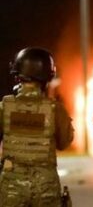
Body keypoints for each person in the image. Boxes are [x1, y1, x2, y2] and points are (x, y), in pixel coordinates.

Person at [0, 47, 74, 207]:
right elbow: (65, 142)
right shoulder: (55, 109)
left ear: (18, 76)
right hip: (46, 188)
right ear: (47, 78)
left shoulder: (5, 107)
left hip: (12, 188)